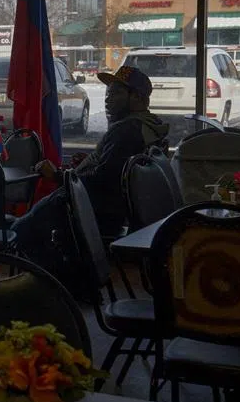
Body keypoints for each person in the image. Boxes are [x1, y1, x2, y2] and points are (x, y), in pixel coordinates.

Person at [13, 65, 168, 283]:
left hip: (87, 206)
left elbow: (103, 180)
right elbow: (109, 168)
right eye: (108, 92)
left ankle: (66, 285)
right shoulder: (147, 125)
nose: (107, 98)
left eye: (116, 93)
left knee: (20, 232)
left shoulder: (127, 131)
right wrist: (83, 165)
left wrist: (58, 175)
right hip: (100, 205)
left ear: (138, 99)